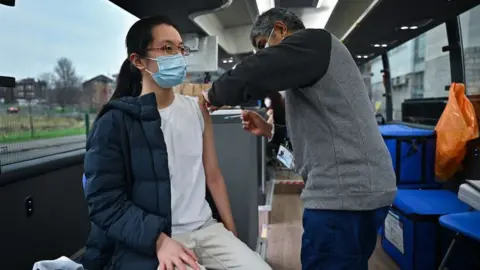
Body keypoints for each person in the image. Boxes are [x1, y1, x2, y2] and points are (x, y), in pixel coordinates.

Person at [202, 7, 397, 270]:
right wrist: (271, 131)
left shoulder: (314, 41)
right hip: (358, 189)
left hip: (343, 194)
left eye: (263, 46)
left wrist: (210, 96)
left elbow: (258, 70)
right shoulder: (311, 71)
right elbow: (313, 139)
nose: (262, 54)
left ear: (281, 29)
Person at [83, 15, 271, 270]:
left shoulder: (197, 109)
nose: (179, 56)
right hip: (161, 236)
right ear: (138, 61)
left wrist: (231, 233)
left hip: (206, 229)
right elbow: (104, 202)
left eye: (181, 49)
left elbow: (213, 175)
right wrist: (158, 241)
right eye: (168, 48)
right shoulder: (116, 121)